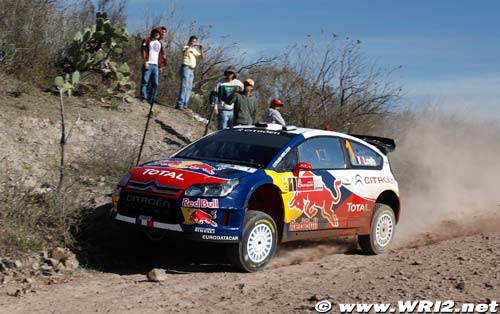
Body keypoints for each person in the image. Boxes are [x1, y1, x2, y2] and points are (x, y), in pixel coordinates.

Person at [175, 35, 204, 109]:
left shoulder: (195, 50)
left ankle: (185, 104)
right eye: (193, 41)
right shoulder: (186, 47)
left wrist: (201, 50)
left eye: (195, 42)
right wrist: (190, 46)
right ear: (190, 41)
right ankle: (180, 103)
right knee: (184, 86)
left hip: (192, 70)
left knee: (189, 87)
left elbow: (201, 57)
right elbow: (184, 53)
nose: (194, 43)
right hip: (186, 67)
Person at [140, 28, 165, 103]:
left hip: (156, 65)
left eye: (159, 33)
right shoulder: (147, 40)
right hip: (149, 63)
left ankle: (151, 99)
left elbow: (160, 55)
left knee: (155, 83)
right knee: (145, 81)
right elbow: (144, 50)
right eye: (156, 33)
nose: (157, 34)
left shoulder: (159, 43)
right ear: (153, 33)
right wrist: (146, 61)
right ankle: (143, 97)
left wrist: (160, 66)